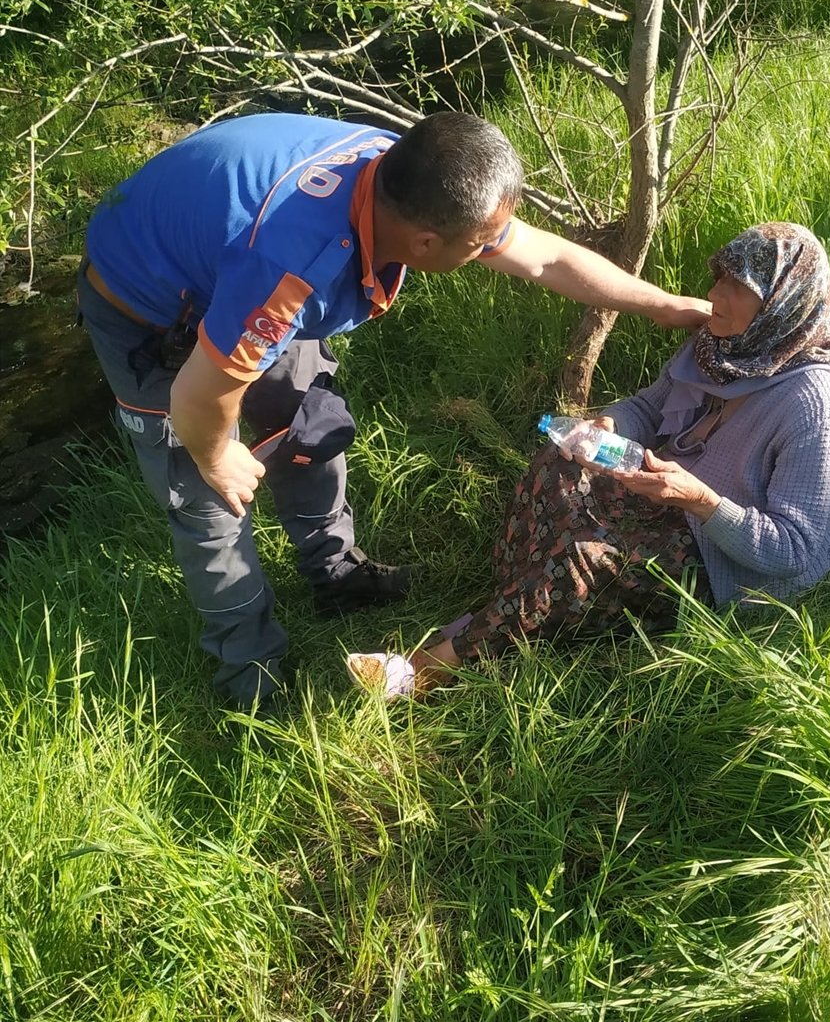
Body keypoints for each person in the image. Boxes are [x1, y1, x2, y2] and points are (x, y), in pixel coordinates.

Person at [77, 110, 709, 710]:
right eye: (481, 245)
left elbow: (548, 257)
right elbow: (196, 396)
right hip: (154, 310)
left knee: (308, 429)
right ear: (427, 242)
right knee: (210, 502)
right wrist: (217, 454)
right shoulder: (291, 266)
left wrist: (664, 306)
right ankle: (252, 675)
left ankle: (336, 576)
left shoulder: (418, 175)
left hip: (232, 267)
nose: (492, 251)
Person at [348, 222, 830, 700]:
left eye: (737, 287)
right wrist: (609, 425)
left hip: (725, 559)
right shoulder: (724, 345)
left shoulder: (816, 404)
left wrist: (701, 500)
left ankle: (428, 667)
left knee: (582, 559)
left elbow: (795, 548)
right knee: (560, 464)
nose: (715, 295)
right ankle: (520, 603)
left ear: (781, 303)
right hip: (671, 499)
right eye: (718, 278)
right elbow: (647, 406)